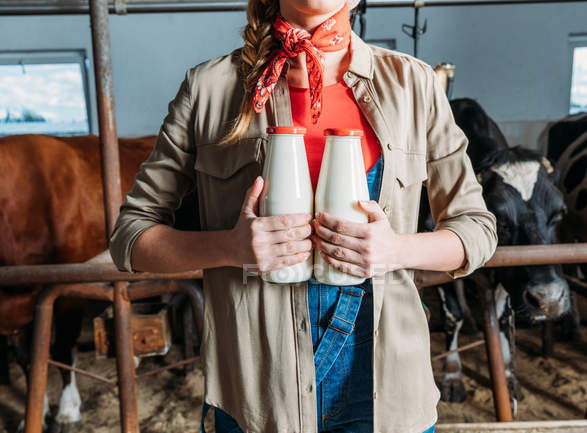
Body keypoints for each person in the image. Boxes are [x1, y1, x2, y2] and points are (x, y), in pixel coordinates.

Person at [109, 0, 497, 431]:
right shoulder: (208, 89)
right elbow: (130, 237)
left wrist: (396, 249)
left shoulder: (413, 85)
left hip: (386, 392)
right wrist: (229, 247)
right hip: (256, 394)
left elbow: (477, 230)